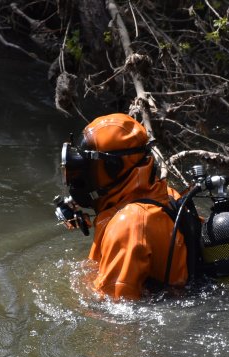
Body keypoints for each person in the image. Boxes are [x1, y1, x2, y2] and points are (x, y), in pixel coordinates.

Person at [59, 113, 188, 301]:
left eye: (87, 168)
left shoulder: (128, 225)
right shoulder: (166, 194)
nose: (79, 178)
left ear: (113, 168)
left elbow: (114, 309)